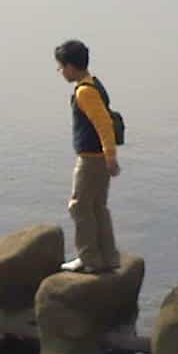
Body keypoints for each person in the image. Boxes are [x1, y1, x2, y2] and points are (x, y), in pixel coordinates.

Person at [53, 39, 123, 275]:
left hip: (91, 159)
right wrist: (109, 155)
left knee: (80, 207)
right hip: (100, 157)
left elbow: (103, 124)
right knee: (97, 207)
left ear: (71, 67)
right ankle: (109, 257)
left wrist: (110, 156)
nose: (60, 72)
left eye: (61, 67)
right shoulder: (94, 83)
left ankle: (88, 258)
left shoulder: (84, 92)